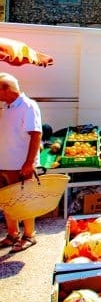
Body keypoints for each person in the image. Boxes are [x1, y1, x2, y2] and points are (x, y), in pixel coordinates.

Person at [0, 72, 43, 252]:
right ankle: (12, 234)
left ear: (6, 89)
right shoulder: (7, 107)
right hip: (5, 164)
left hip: (19, 165)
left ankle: (29, 235)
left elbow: (36, 134)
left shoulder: (28, 105)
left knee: (25, 201)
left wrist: (29, 162)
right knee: (7, 201)